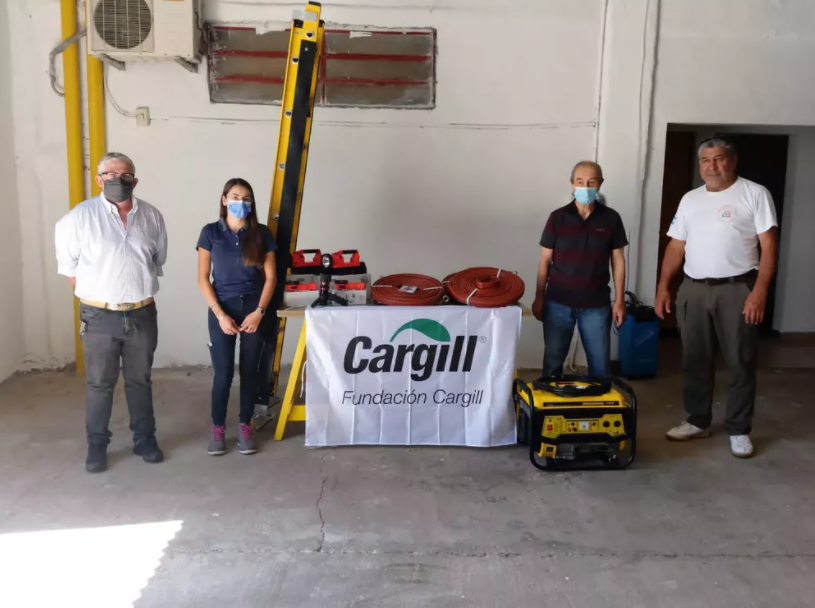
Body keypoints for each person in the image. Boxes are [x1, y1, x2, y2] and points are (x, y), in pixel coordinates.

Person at [656, 135, 778, 459]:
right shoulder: (690, 200)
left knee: (740, 361)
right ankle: (698, 421)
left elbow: (769, 247)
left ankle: (739, 429)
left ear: (733, 161)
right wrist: (663, 286)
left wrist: (759, 291)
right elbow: (676, 247)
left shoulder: (754, 194)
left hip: (738, 289)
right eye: (705, 161)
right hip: (694, 289)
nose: (712, 166)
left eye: (719, 159)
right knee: (695, 359)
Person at [55, 152, 168, 473]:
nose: (117, 180)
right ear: (99, 179)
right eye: (110, 174)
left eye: (125, 175)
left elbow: (157, 259)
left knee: (140, 381)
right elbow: (69, 267)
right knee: (99, 384)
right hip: (99, 316)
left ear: (135, 180)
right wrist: (101, 295)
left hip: (142, 313)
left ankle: (145, 440)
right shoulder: (78, 218)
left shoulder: (152, 216)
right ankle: (97, 446)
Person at [197, 178, 277, 456]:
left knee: (250, 372)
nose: (240, 203)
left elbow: (271, 279)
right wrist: (220, 314)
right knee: (223, 374)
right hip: (222, 308)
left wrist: (259, 312)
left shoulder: (262, 234)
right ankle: (218, 429)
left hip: (254, 309)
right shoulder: (210, 233)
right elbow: (203, 279)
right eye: (234, 197)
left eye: (246, 198)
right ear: (224, 200)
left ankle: (245, 426)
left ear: (251, 203)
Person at [532, 160, 628, 379]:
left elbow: (618, 261)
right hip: (558, 302)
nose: (585, 187)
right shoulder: (557, 218)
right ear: (572, 184)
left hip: (596, 304)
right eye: (580, 181)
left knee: (600, 367)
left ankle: (598, 400)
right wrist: (539, 297)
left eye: (591, 182)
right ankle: (551, 400)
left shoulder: (611, 218)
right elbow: (545, 260)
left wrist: (619, 301)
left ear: (600, 184)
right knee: (552, 363)